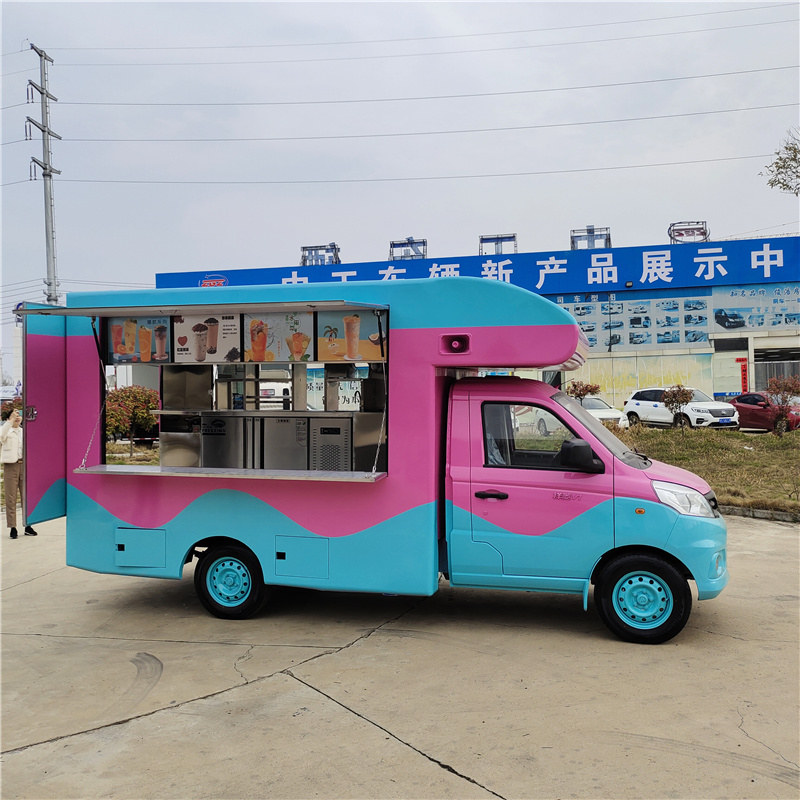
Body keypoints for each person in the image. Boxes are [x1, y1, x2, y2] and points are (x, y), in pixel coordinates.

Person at [1, 407, 37, 539]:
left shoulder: (24, 431)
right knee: (11, 497)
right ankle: (13, 527)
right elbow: (1, 437)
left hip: (24, 466)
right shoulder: (6, 431)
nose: (17, 416)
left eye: (19, 414)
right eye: (14, 414)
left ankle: (28, 525)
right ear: (8, 418)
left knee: (26, 497)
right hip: (11, 466)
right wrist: (9, 422)